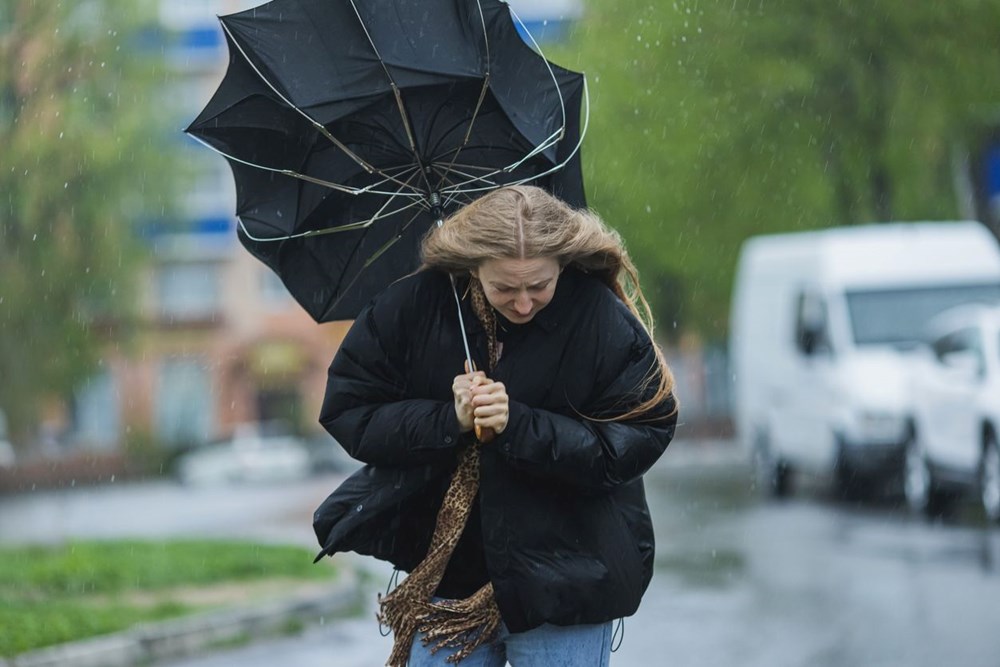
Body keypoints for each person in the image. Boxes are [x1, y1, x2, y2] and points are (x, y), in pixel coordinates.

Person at [313, 185, 678, 666]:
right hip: (446, 587)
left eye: (539, 286)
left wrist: (519, 425)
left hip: (566, 584)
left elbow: (636, 438)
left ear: (562, 265)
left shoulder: (598, 318)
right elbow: (351, 412)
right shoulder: (412, 308)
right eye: (505, 287)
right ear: (472, 267)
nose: (524, 303)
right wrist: (450, 419)